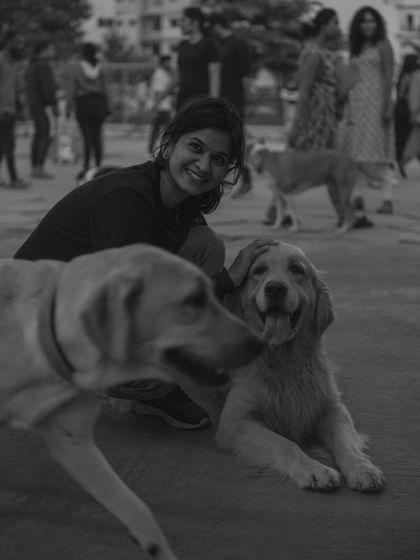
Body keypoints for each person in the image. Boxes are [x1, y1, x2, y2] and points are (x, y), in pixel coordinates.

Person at [14, 96, 275, 431]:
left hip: (76, 309)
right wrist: (227, 280)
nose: (204, 165)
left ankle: (148, 392)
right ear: (168, 145)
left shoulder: (183, 206)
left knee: (205, 245)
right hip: (27, 324)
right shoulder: (127, 198)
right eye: (195, 147)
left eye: (219, 159)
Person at [263, 8, 342, 226]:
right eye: (335, 23)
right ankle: (344, 213)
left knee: (325, 165)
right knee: (319, 164)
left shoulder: (322, 51)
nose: (337, 27)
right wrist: (297, 124)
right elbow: (304, 89)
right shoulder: (314, 53)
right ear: (324, 25)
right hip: (314, 120)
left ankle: (276, 210)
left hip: (324, 118)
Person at [340, 6, 396, 225]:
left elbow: (389, 76)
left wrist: (386, 107)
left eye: (372, 21)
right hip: (356, 104)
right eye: (364, 21)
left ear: (378, 23)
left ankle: (387, 196)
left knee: (376, 151)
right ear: (358, 25)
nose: (368, 25)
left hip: (376, 104)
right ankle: (358, 198)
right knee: (355, 153)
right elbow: (352, 76)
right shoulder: (356, 47)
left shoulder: (384, 45)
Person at [211, 12, 254, 198]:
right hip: (218, 100)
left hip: (235, 100)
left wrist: (248, 99)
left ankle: (247, 179)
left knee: (236, 141)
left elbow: (245, 74)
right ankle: (216, 181)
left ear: (218, 24)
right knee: (217, 141)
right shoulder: (215, 45)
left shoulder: (238, 44)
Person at [66, 42, 109, 180]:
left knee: (87, 137)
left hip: (84, 103)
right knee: (97, 136)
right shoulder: (100, 67)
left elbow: (72, 88)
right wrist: (107, 106)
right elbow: (105, 88)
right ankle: (98, 166)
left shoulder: (77, 67)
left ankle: (86, 167)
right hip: (99, 104)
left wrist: (69, 105)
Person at [175, 7, 221, 110]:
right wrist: (160, 98)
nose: (180, 24)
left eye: (184, 20)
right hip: (182, 101)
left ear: (195, 22)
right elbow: (177, 77)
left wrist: (214, 104)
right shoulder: (182, 46)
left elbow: (214, 78)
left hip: (201, 103)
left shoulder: (209, 45)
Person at [0, 29, 30, 189]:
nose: (20, 45)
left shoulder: (12, 63)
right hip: (3, 111)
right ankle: (14, 179)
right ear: (9, 42)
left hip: (10, 110)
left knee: (2, 147)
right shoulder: (1, 61)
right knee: (9, 146)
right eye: (17, 42)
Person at [25, 40, 59, 180]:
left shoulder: (32, 65)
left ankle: (35, 167)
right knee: (45, 135)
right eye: (51, 48)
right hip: (42, 105)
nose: (53, 51)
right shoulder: (43, 66)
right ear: (43, 50)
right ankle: (39, 167)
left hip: (33, 103)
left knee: (38, 135)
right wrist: (53, 104)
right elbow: (47, 88)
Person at [393, 53, 419, 177]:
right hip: (406, 110)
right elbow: (403, 94)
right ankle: (402, 160)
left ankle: (402, 160)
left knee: (407, 138)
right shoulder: (411, 77)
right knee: (408, 138)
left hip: (403, 109)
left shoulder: (403, 76)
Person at [147, 55, 174, 155]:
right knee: (169, 129)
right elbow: (157, 92)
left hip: (162, 106)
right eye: (168, 62)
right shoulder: (160, 74)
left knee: (156, 129)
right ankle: (164, 149)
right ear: (164, 62)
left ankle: (151, 150)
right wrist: (156, 107)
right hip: (162, 107)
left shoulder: (163, 73)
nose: (170, 64)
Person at [400, 60, 420, 170]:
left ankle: (404, 160)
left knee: (415, 140)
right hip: (418, 114)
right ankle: (404, 160)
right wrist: (413, 112)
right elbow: (414, 96)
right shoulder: (417, 76)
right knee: (415, 141)